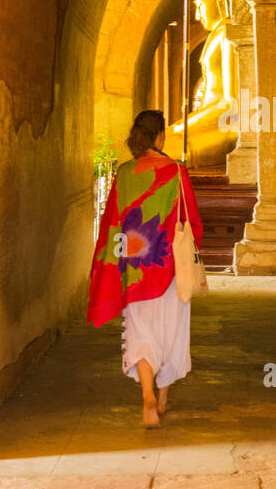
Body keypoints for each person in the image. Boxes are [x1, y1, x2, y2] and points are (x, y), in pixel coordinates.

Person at [87, 109, 203, 427]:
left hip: (136, 271)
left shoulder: (125, 173)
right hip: (170, 270)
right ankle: (163, 399)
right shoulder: (176, 171)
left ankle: (147, 395)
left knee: (141, 333)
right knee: (171, 333)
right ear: (161, 136)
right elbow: (192, 221)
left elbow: (112, 221)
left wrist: (112, 267)